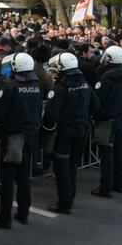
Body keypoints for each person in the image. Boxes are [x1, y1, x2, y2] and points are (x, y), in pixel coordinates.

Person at [0, 52, 43, 228]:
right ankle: (23, 213)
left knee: (7, 179)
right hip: (29, 134)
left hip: (11, 137)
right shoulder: (37, 85)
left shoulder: (9, 87)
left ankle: (5, 218)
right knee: (24, 176)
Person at [43, 53, 97, 214]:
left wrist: (48, 129)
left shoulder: (61, 87)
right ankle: (70, 196)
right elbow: (95, 103)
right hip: (81, 128)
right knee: (72, 164)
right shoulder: (84, 83)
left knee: (61, 167)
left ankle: (64, 202)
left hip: (65, 130)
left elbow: (51, 113)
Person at [90, 46, 122, 198]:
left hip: (107, 119)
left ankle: (105, 187)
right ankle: (119, 183)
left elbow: (98, 99)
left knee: (106, 152)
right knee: (118, 150)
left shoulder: (106, 78)